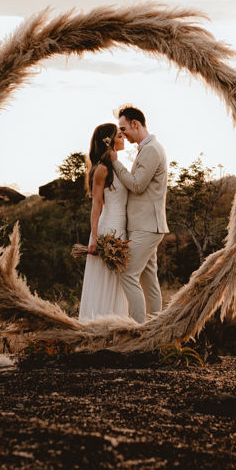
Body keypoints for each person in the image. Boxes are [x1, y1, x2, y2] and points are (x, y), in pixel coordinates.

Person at [108, 105, 169, 323]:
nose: (121, 134)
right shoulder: (147, 148)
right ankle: (154, 330)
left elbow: (137, 185)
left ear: (136, 124)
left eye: (123, 128)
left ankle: (138, 330)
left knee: (127, 274)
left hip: (147, 226)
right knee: (148, 280)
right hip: (146, 225)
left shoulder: (152, 149)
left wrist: (116, 163)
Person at [77, 123, 130, 320]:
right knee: (103, 282)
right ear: (110, 141)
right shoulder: (101, 169)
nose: (123, 137)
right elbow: (96, 206)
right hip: (106, 229)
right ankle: (96, 327)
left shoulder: (119, 166)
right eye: (119, 135)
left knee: (118, 284)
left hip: (122, 231)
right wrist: (94, 239)